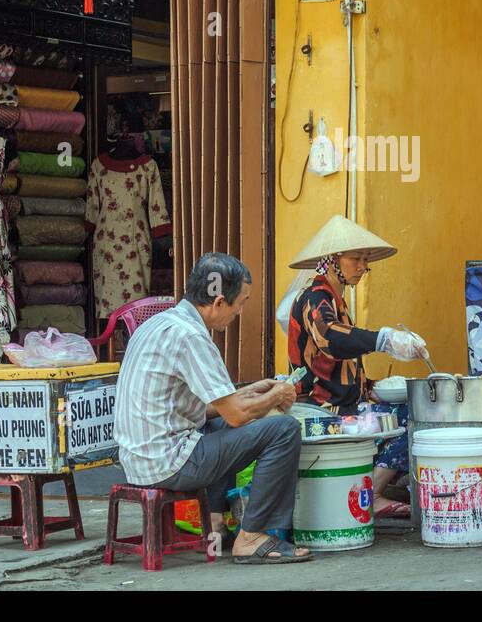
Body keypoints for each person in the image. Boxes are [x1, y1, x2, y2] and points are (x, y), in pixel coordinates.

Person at [113, 252, 313, 564]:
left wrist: (250, 391)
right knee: (283, 430)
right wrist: (275, 397)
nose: (240, 311)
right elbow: (236, 414)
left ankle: (216, 524)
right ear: (219, 302)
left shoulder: (159, 324)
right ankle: (252, 537)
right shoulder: (191, 336)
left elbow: (206, 408)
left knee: (223, 426)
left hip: (139, 458)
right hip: (167, 463)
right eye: (241, 302)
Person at [287, 215, 430, 519]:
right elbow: (330, 340)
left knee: (410, 407)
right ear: (331, 260)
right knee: (413, 419)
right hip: (322, 410)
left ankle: (371, 488)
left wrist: (374, 389)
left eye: (366, 260)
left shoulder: (335, 300)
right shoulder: (315, 297)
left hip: (343, 405)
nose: (363, 266)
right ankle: (373, 493)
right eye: (356, 258)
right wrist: (384, 339)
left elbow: (341, 366)